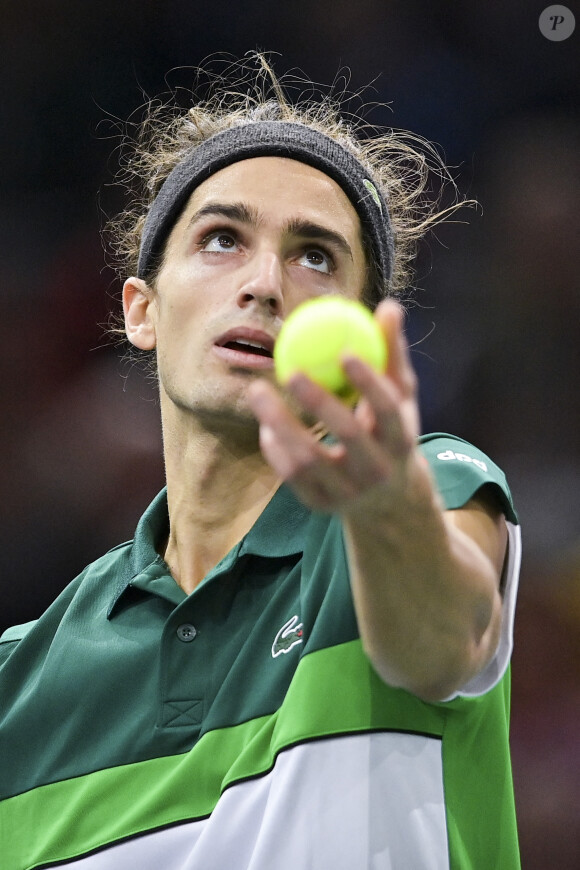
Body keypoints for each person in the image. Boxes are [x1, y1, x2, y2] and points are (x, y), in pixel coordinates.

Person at [0, 59, 522, 869]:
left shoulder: (430, 491)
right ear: (142, 309)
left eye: (315, 256)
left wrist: (386, 512)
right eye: (220, 239)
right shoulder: (19, 685)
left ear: (364, 332)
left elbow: (447, 639)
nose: (265, 284)